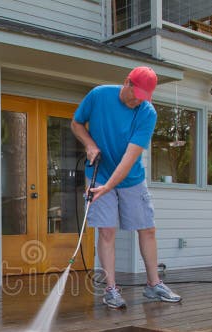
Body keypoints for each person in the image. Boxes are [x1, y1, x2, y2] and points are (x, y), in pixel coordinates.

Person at [70, 66, 182, 309]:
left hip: (130, 177)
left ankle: (154, 285)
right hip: (99, 174)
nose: (137, 102)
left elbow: (129, 159)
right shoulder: (99, 96)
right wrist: (89, 144)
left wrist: (109, 187)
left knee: (147, 229)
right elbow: (77, 124)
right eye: (136, 95)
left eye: (143, 98)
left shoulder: (147, 113)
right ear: (127, 83)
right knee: (107, 231)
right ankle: (111, 289)